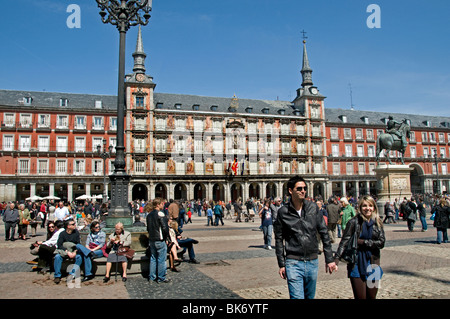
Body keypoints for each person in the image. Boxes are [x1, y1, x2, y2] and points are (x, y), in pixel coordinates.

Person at [274, 175, 337, 299]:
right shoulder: (283, 212)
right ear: (290, 191)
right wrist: (281, 264)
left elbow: (324, 233)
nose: (303, 191)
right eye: (299, 188)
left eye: (304, 188)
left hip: (312, 260)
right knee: (297, 297)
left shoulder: (313, 208)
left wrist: (329, 259)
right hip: (293, 262)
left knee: (309, 297)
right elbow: (279, 240)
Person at [334, 195, 386, 299]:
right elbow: (344, 241)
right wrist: (336, 259)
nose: (368, 208)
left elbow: (381, 242)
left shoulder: (378, 222)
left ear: (374, 208)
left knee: (372, 297)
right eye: (364, 206)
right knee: (360, 297)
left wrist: (362, 242)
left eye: (370, 206)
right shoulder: (353, 222)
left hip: (374, 263)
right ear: (360, 208)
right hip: (356, 264)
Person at [146, 198, 171, 283]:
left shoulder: (149, 215)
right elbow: (165, 228)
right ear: (157, 205)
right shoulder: (160, 213)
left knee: (153, 258)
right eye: (162, 203)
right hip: (159, 239)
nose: (163, 205)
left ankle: (152, 277)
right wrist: (166, 238)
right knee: (161, 259)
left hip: (152, 239)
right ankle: (161, 277)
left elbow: (148, 228)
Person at [53, 219, 82, 284]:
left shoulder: (76, 233)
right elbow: (59, 245)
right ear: (68, 226)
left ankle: (72, 274)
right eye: (73, 224)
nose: (75, 225)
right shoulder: (62, 234)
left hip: (73, 250)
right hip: (64, 251)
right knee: (57, 257)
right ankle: (57, 275)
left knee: (79, 257)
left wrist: (75, 252)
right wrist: (67, 252)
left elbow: (78, 244)